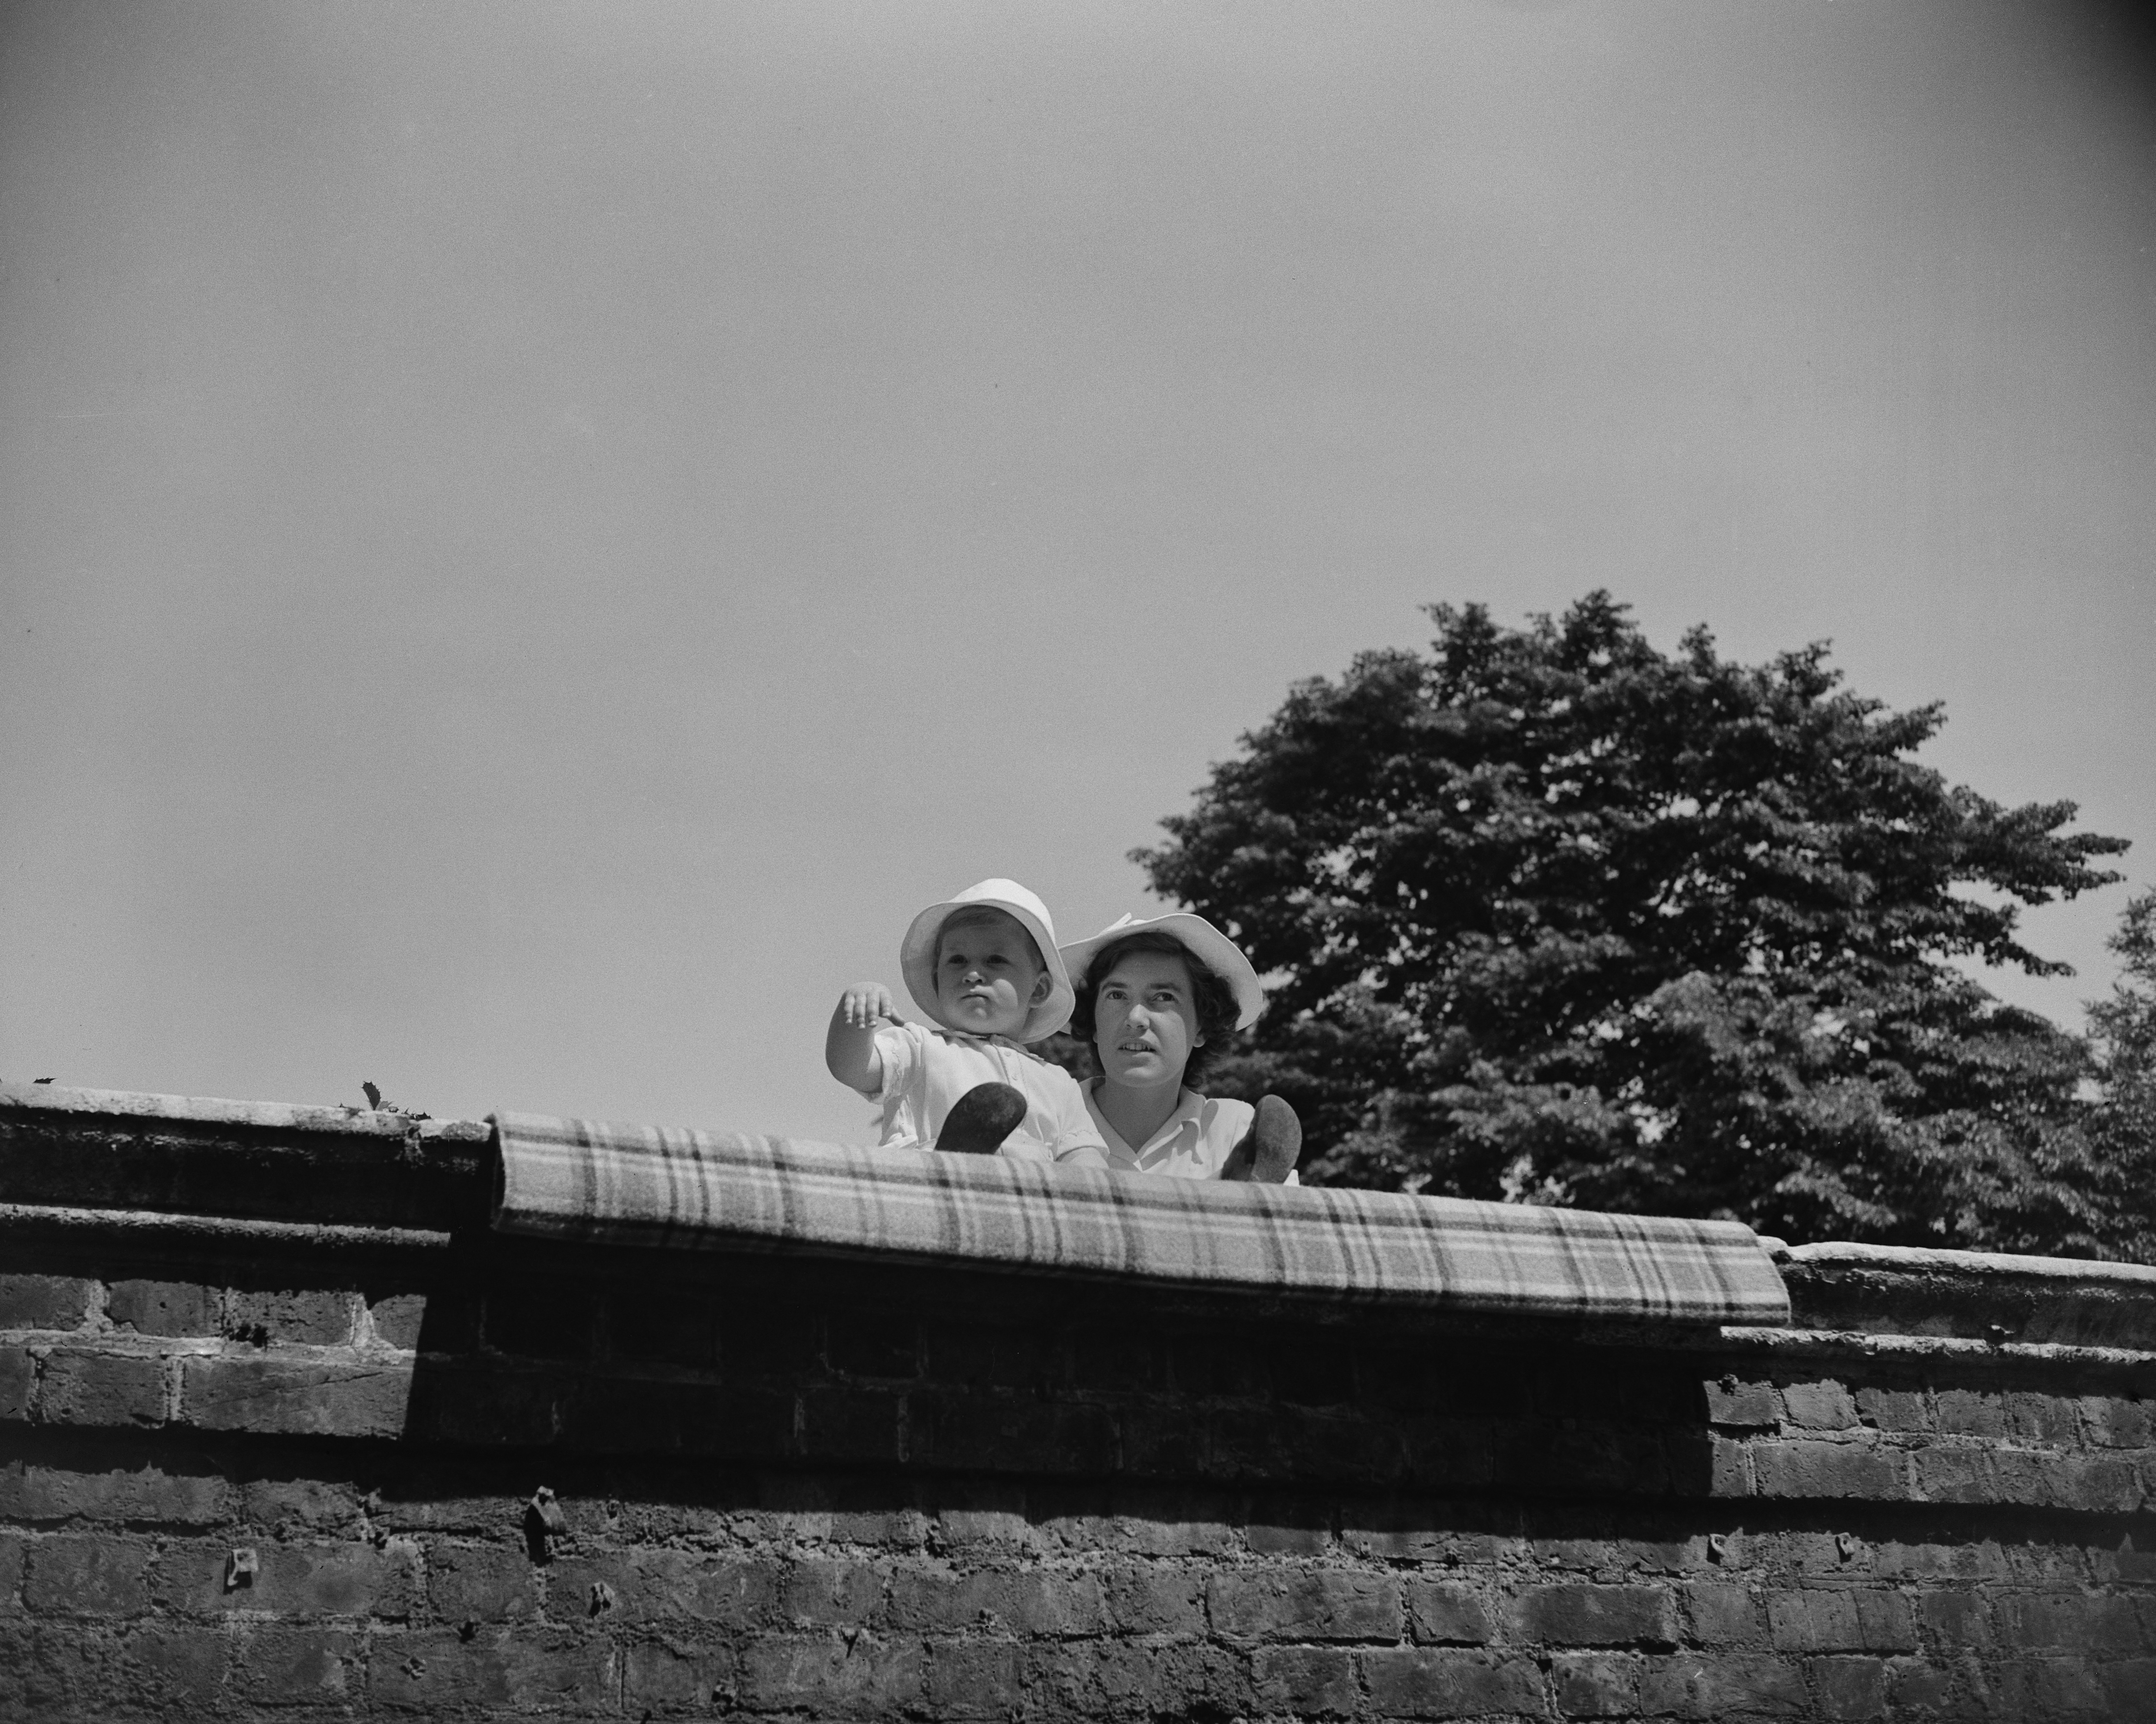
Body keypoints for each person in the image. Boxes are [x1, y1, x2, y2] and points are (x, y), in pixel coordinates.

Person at [826, 879, 1108, 1166]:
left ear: (1038, 990)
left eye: (996, 960)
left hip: (1028, 1204)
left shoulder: (1059, 1083)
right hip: (926, 1193)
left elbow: (1084, 1157)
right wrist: (858, 1011)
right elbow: (851, 1068)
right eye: (957, 961)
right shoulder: (921, 1047)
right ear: (938, 982)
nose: (973, 974)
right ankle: (953, 1164)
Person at [1058, 911, 1301, 1182]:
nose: (1136, 1019)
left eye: (1164, 997)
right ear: (1092, 1022)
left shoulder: (1235, 1130)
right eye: (1117, 996)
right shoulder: (1048, 1117)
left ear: (1202, 1026)